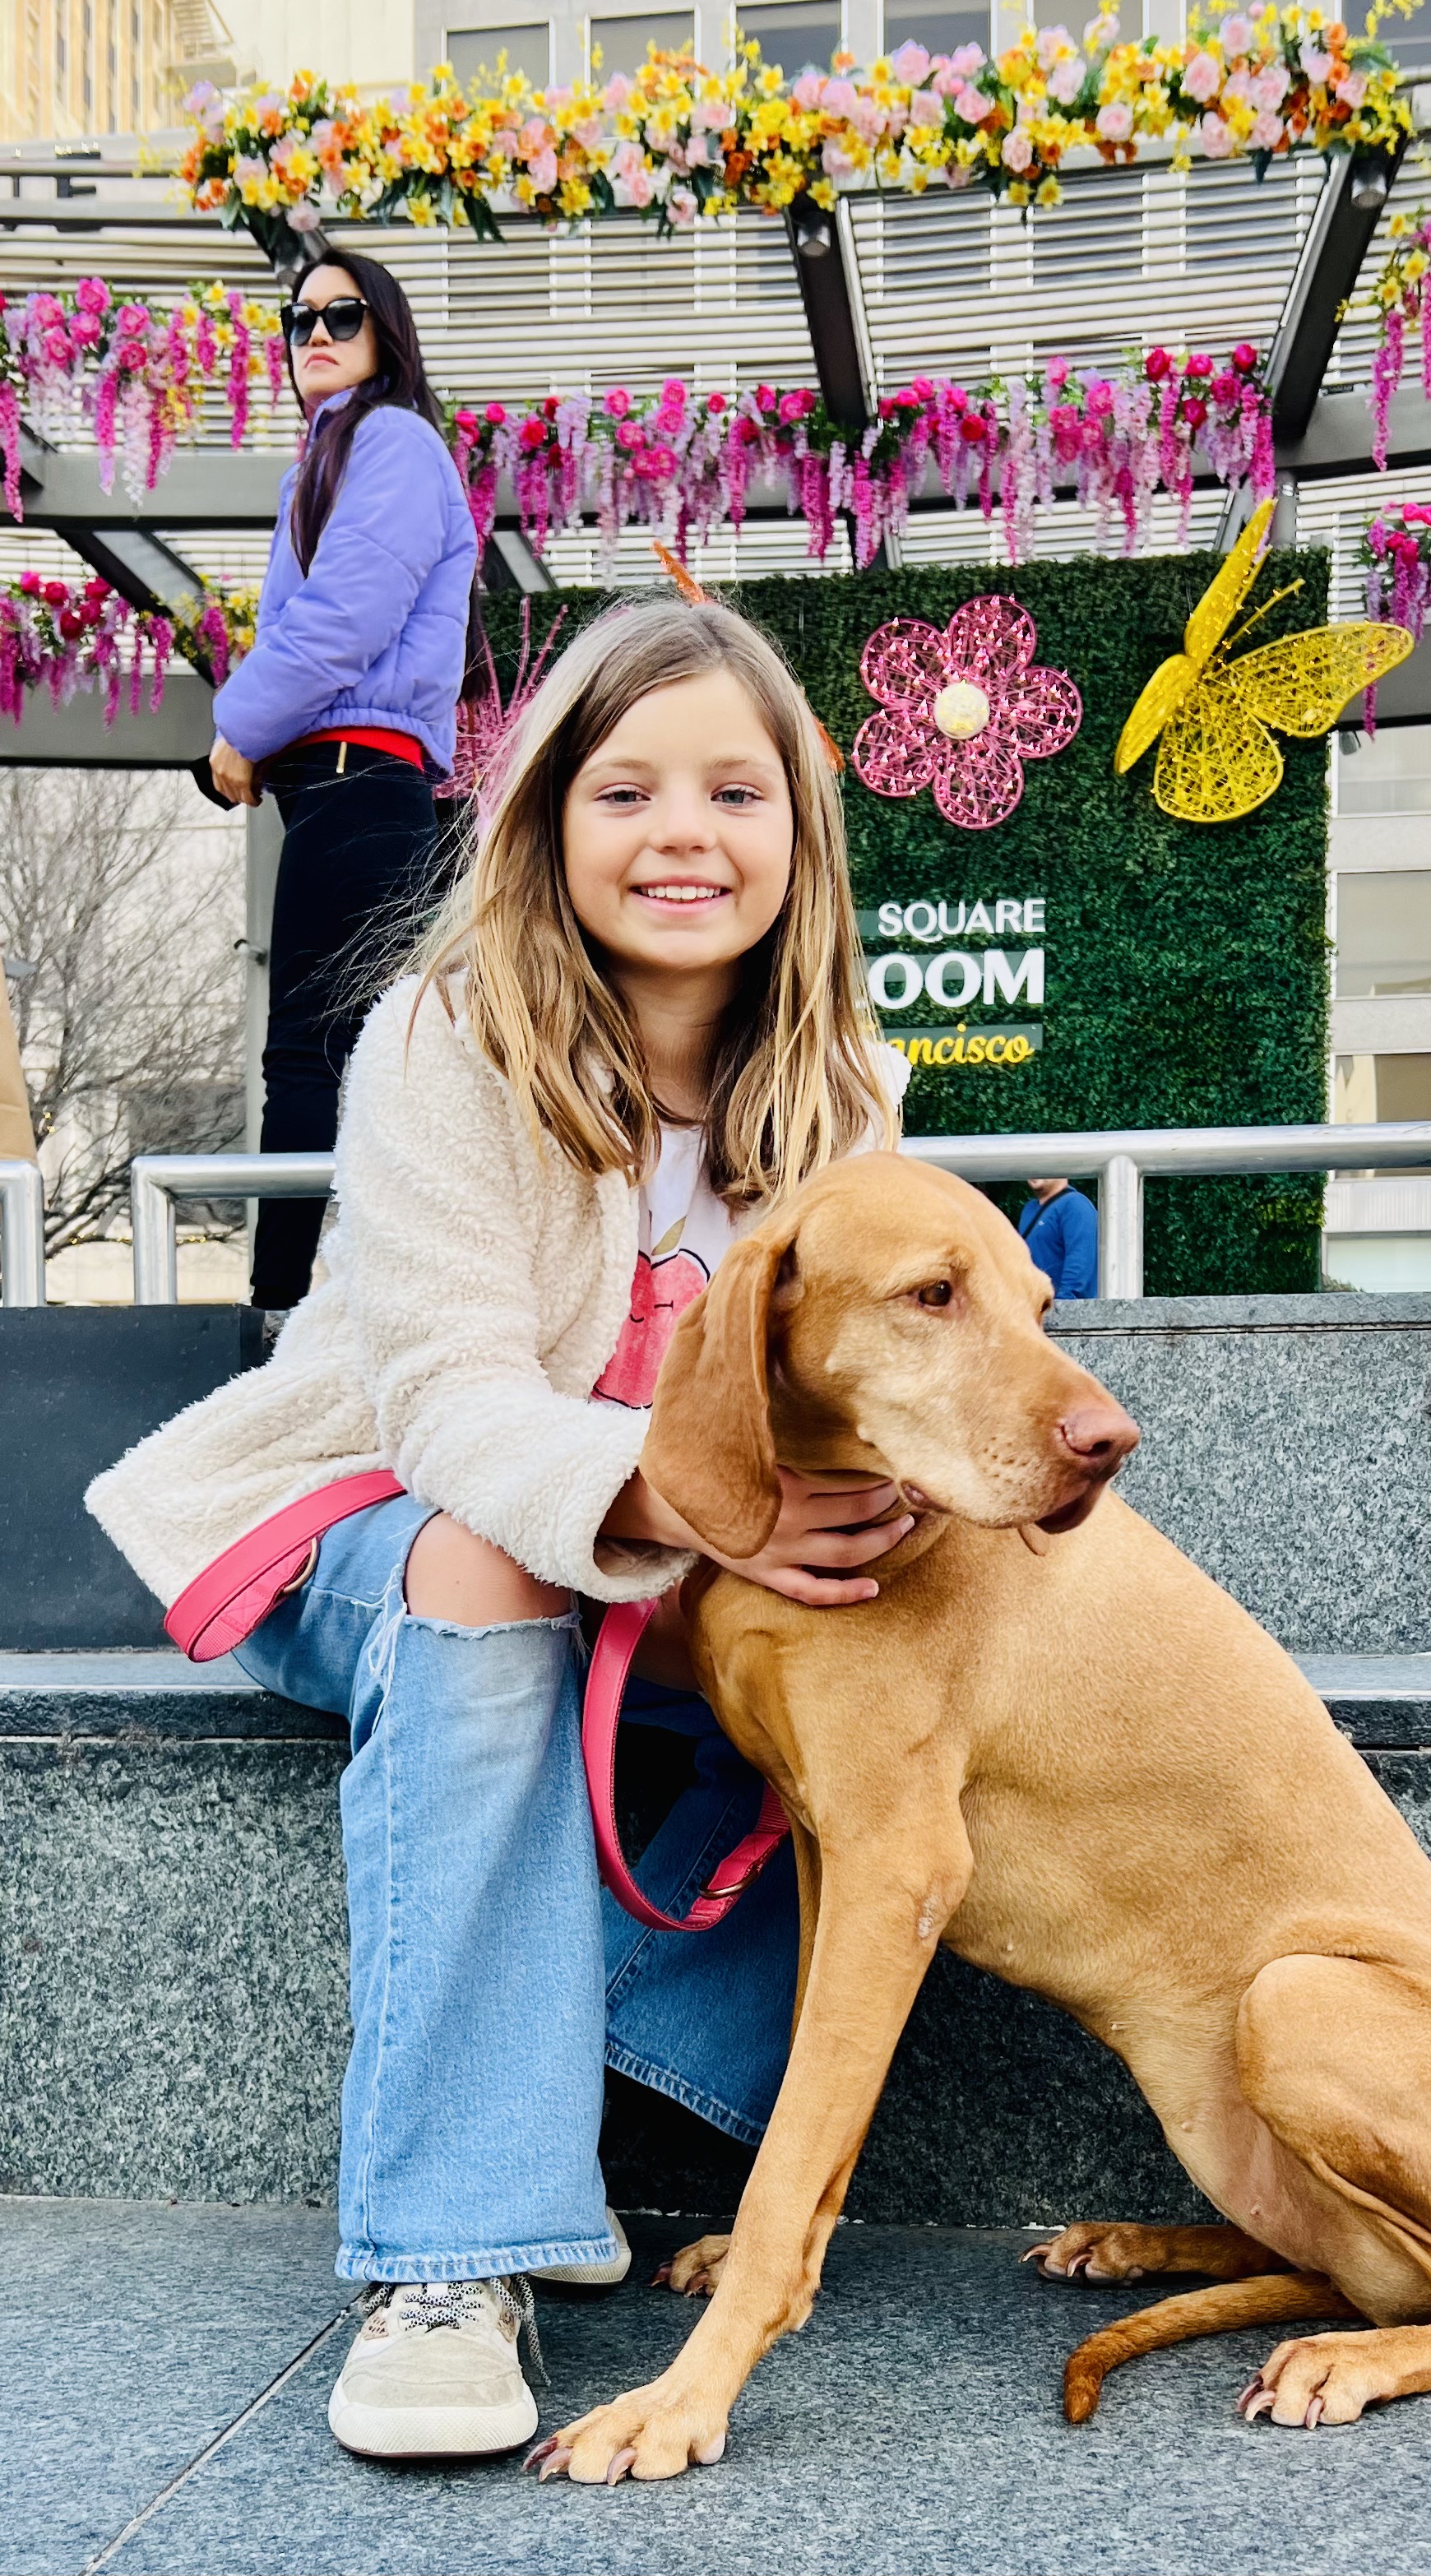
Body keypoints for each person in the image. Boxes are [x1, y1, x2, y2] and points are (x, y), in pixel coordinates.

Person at [89, 603, 911, 2462]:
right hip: (364, 1512)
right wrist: (711, 1503)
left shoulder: (842, 1087)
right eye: (624, 790)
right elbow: (449, 1408)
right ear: (544, 822)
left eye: (735, 791)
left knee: (881, 1667)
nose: (682, 832)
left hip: (670, 1561)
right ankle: (452, 2258)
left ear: (801, 831)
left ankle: (546, 2093)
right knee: (494, 1554)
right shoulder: (447, 1035)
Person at [209, 246, 481, 1311]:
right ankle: (329, 1302)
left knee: (328, 1061)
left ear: (387, 331)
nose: (315, 334)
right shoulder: (333, 455)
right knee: (357, 1060)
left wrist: (237, 730)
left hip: (359, 781)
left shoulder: (394, 441)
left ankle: (289, 1307)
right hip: (341, 787)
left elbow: (341, 622)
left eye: (343, 314)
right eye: (300, 318)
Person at [1019, 1173, 1099, 1300]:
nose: (1035, 1169)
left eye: (1043, 1163)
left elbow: (1080, 1261)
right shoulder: (1029, 1210)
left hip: (1065, 1307)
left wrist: (1063, 1304)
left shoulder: (1076, 1205)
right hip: (1033, 1307)